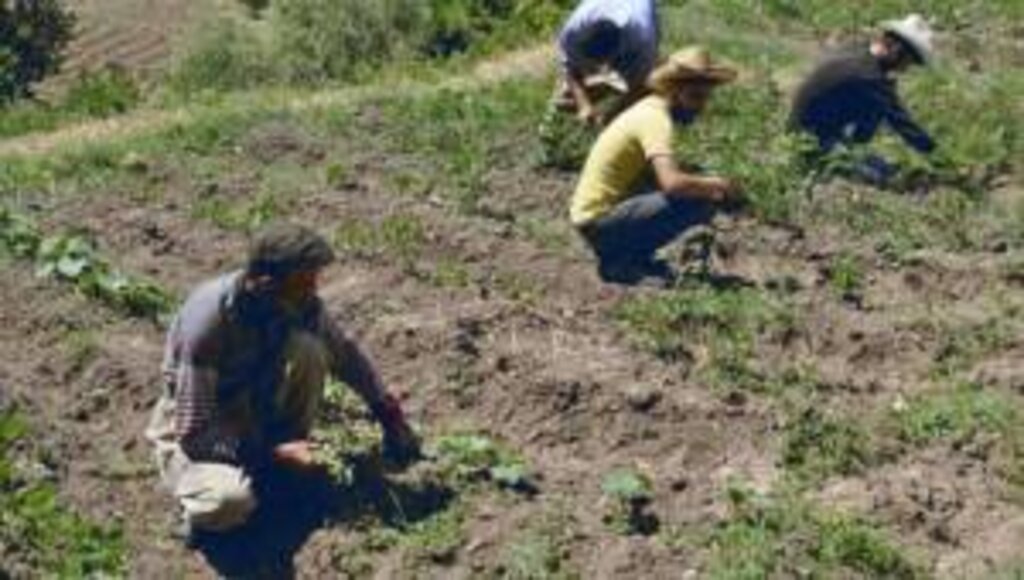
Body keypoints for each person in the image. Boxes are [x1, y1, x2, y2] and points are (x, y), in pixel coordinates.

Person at [145, 223, 421, 537]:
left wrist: (389, 414)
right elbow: (197, 433)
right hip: (203, 426)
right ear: (265, 283)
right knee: (227, 502)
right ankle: (199, 514)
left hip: (254, 406)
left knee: (310, 349)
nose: (313, 292)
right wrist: (273, 453)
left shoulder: (299, 303)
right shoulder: (208, 323)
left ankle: (284, 470)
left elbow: (345, 355)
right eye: (303, 284)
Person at [570, 46, 743, 285]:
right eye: (695, 97)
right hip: (599, 222)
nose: (701, 106)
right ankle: (623, 263)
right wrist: (719, 184)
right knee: (699, 198)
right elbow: (672, 183)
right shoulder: (656, 119)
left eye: (705, 97)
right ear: (675, 90)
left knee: (695, 186)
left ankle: (631, 257)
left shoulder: (649, 109)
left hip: (596, 218)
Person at [790, 14, 937, 181]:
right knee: (884, 176)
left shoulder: (858, 49)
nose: (904, 70)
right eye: (907, 63)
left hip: (804, 129)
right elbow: (904, 125)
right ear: (896, 50)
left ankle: (851, 150)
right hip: (811, 143)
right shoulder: (871, 77)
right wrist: (939, 156)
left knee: (876, 109)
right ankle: (825, 162)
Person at [555, 0, 659, 126]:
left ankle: (613, 84)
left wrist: (608, 118)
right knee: (565, 94)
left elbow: (639, 86)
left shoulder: (642, 42)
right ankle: (608, 86)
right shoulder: (572, 32)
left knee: (648, 81)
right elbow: (568, 66)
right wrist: (584, 105)